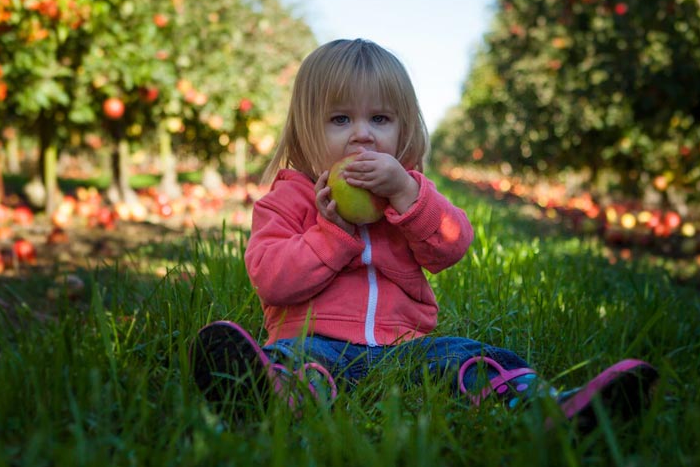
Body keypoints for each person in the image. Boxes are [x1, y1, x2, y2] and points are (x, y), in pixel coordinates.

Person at [190, 38, 657, 429]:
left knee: (472, 358)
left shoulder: (409, 194)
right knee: (295, 361)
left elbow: (452, 246)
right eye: (340, 120)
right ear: (304, 128)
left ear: (403, 127)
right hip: (314, 340)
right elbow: (272, 279)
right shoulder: (286, 201)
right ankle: (268, 392)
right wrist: (332, 234)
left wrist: (408, 197)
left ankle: (552, 408)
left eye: (380, 119)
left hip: (404, 349)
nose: (362, 136)